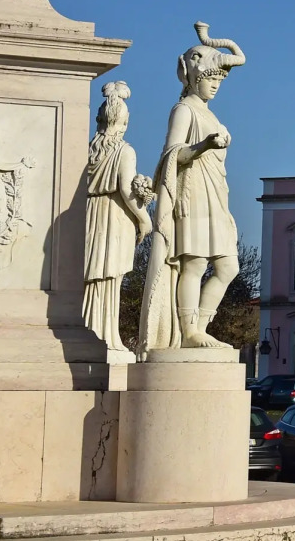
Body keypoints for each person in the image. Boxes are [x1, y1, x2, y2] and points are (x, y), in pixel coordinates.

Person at [137, 23, 246, 353]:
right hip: (192, 192)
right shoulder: (183, 109)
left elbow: (240, 57)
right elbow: (173, 153)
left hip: (216, 194)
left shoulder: (210, 114)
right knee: (195, 264)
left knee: (229, 267)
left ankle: (199, 326)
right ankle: (188, 332)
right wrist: (204, 145)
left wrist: (214, 41)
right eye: (210, 80)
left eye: (218, 82)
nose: (215, 86)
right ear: (194, 77)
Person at [83, 82, 151, 351]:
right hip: (114, 217)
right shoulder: (124, 150)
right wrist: (145, 218)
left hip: (89, 213)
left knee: (92, 277)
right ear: (124, 122)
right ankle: (106, 338)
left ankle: (90, 330)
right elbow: (125, 189)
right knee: (109, 278)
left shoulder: (88, 149)